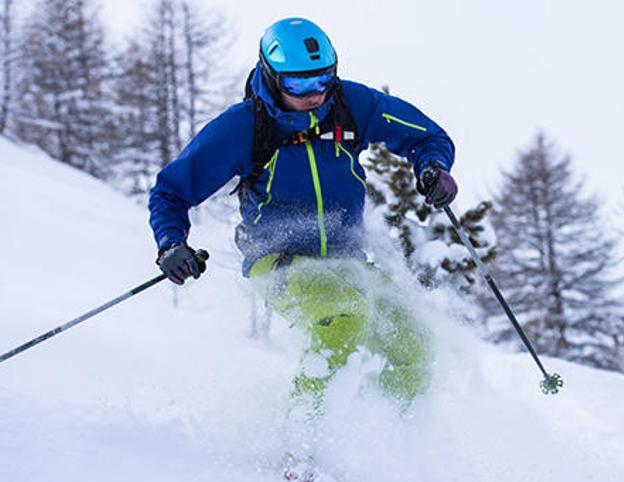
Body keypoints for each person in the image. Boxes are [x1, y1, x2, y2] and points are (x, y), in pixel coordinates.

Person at [148, 17, 458, 407]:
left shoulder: (351, 105)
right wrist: (171, 243)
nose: (314, 94)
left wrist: (432, 167)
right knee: (342, 318)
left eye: (322, 79)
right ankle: (303, 448)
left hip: (347, 261)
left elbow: (428, 136)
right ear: (272, 76)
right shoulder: (243, 128)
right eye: (298, 84)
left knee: (413, 343)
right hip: (278, 262)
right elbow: (170, 192)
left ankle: (380, 440)